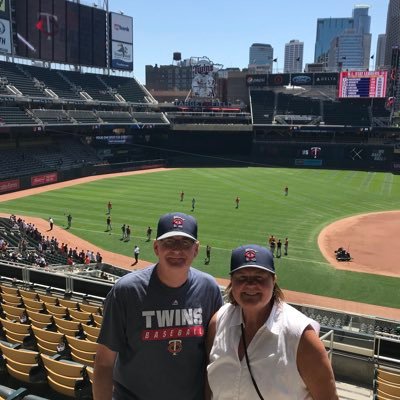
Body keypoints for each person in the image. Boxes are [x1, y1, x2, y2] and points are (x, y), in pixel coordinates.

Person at [93, 212, 223, 400]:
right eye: (168, 242)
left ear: (196, 249)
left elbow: (213, 358)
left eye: (185, 243)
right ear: (156, 247)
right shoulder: (126, 291)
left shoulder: (209, 289)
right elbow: (104, 363)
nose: (177, 250)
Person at [206, 244, 338, 400]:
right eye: (242, 277)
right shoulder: (218, 322)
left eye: (259, 277)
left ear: (274, 280)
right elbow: (208, 390)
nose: (250, 285)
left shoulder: (301, 335)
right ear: (232, 281)